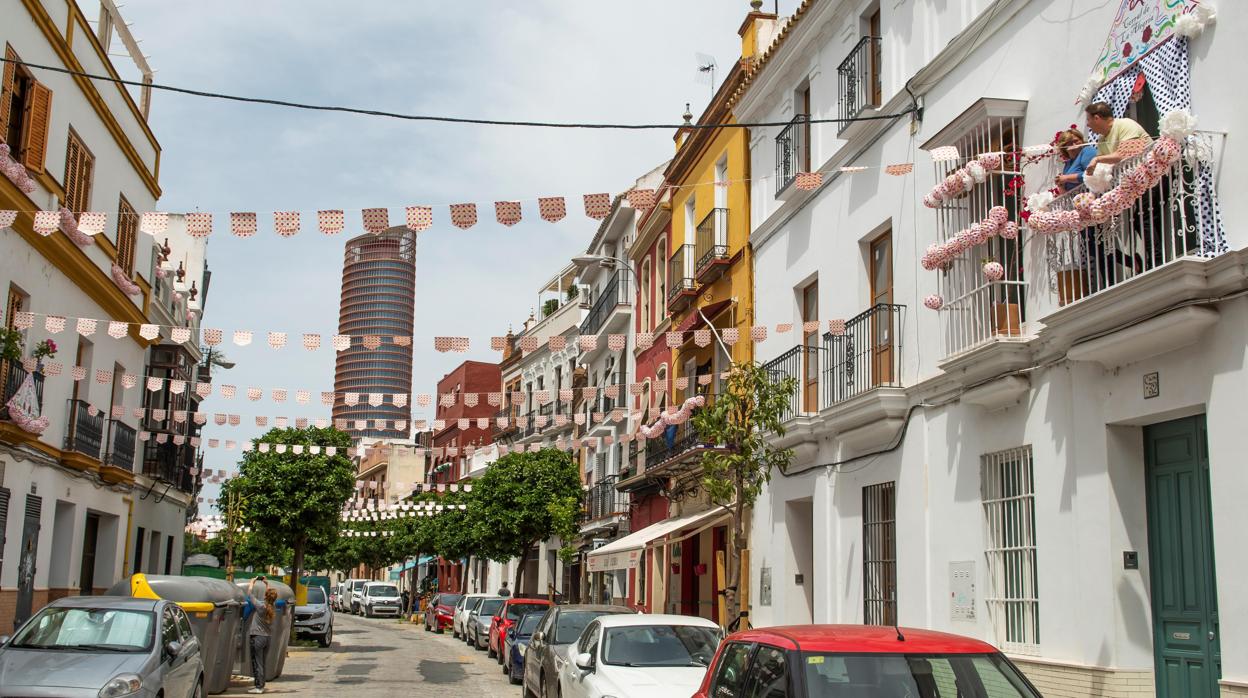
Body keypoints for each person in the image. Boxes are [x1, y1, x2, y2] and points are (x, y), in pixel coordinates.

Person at [1084, 101, 1151, 170]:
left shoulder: (1126, 124)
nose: (1087, 124)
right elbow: (1103, 164)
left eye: (1088, 120)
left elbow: (1126, 155)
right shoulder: (1101, 138)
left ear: (1096, 118)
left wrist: (1097, 159)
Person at [246, 576, 277, 695]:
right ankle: (261, 685)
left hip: (257, 637)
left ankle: (258, 687)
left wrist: (251, 582)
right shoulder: (272, 607)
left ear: (266, 596)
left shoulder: (261, 606)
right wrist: (267, 584)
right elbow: (270, 596)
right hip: (267, 638)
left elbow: (250, 594)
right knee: (262, 662)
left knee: (256, 662)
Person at [1053, 127, 1094, 191]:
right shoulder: (1068, 164)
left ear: (1082, 140)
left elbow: (1092, 174)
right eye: (1070, 143)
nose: (1074, 145)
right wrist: (1061, 184)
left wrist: (1066, 178)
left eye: (1076, 141)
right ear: (1064, 147)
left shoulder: (1087, 151)